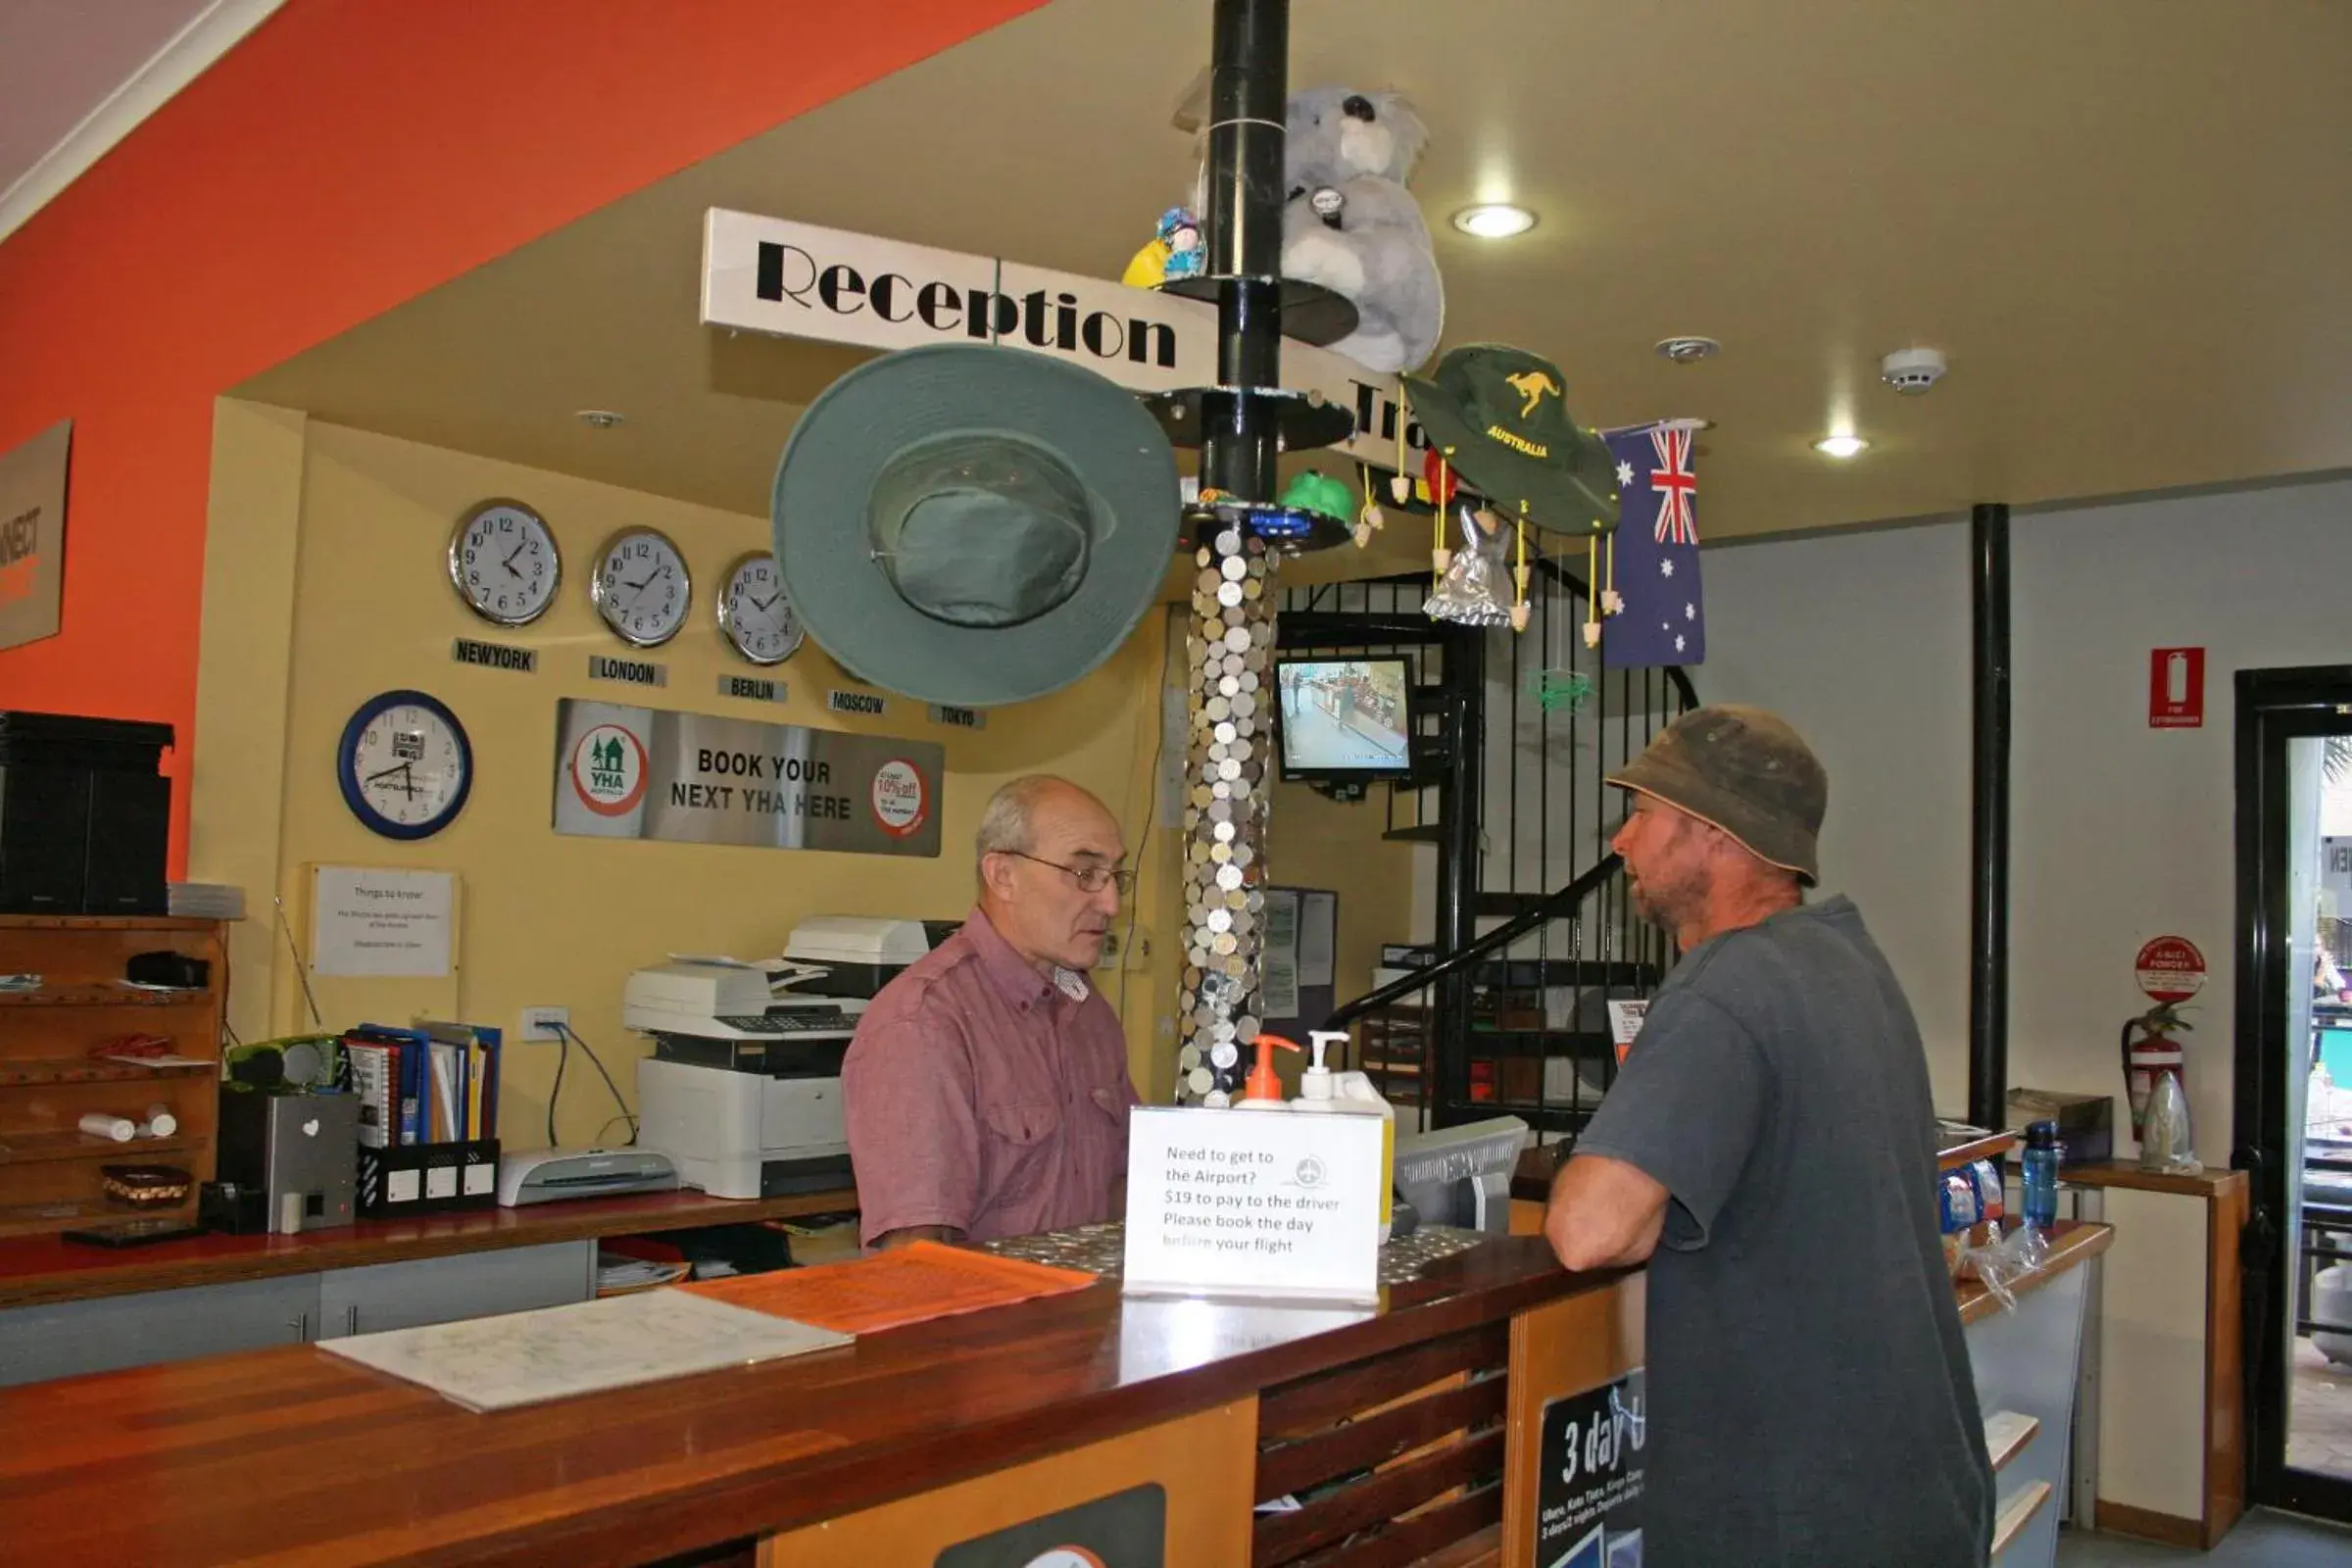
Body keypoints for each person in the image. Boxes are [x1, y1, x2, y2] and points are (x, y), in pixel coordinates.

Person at [1543, 706, 1992, 1567]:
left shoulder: (1725, 984)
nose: (1621, 843)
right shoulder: (1849, 962)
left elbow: (1589, 1229)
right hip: (1916, 1491)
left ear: (1712, 833)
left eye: (1643, 816)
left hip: (1802, 1517)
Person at [843, 774, 1141, 1249]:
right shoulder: (925, 1024)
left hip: (1086, 1312)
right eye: (1085, 874)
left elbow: (1129, 1183)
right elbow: (913, 1259)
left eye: (1116, 876)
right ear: (1003, 875)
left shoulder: (1089, 1013)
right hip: (987, 1318)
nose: (1111, 903)